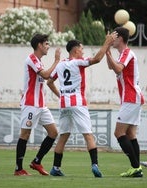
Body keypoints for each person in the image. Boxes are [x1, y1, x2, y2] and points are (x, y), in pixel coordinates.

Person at [46, 32, 117, 177]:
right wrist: (107, 43)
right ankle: (95, 165)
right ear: (75, 50)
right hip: (77, 103)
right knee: (88, 135)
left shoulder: (60, 65)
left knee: (63, 136)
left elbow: (49, 81)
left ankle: (55, 167)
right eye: (81, 49)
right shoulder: (77, 63)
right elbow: (97, 59)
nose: (83, 51)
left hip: (64, 104)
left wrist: (61, 95)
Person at [14, 34, 61, 176]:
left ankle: (37, 161)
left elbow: (47, 76)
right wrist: (57, 60)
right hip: (30, 104)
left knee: (53, 133)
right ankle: (18, 169)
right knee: (25, 134)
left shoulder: (39, 61)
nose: (48, 46)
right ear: (39, 45)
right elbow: (46, 75)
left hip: (41, 104)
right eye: (46, 43)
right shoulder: (31, 59)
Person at [106, 27, 144, 178]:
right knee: (130, 134)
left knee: (118, 133)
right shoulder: (123, 54)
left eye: (113, 38)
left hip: (131, 97)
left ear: (120, 38)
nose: (112, 40)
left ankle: (135, 166)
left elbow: (117, 69)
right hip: (132, 98)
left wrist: (107, 49)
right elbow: (111, 66)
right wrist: (107, 50)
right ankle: (137, 169)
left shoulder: (127, 53)